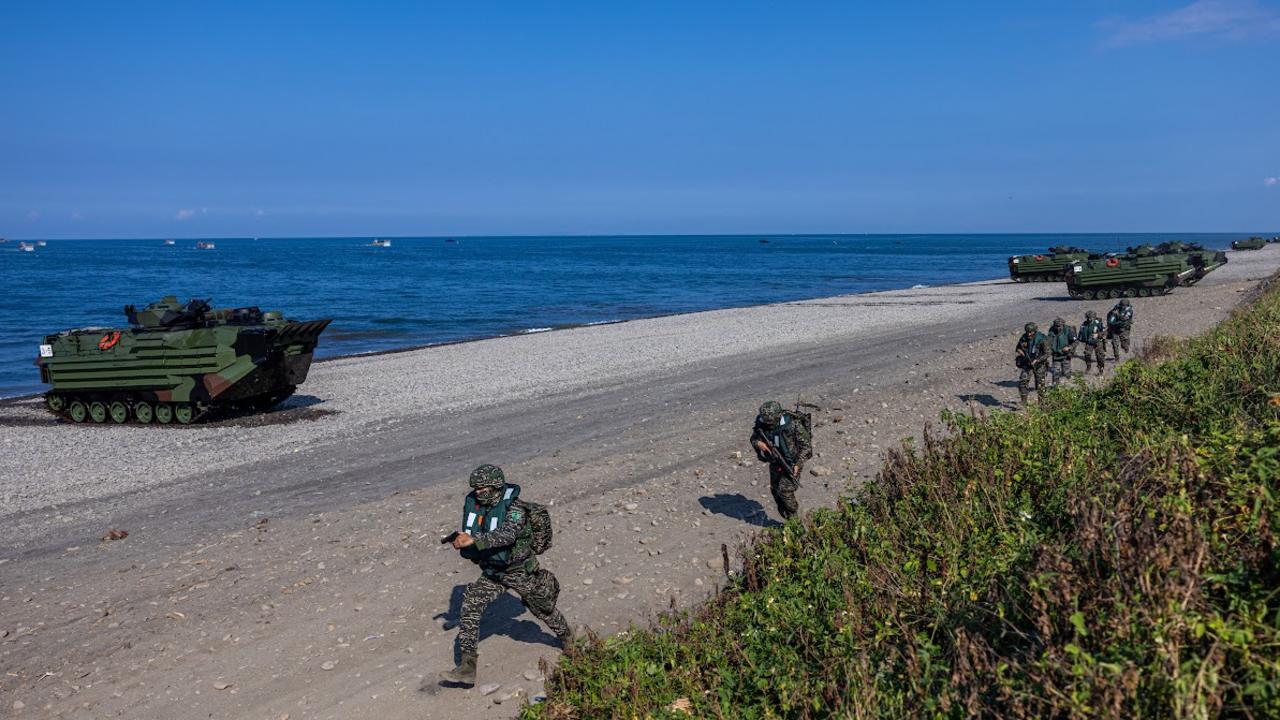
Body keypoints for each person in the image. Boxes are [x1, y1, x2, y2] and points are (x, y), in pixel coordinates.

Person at [438, 464, 571, 687]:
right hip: (493, 572)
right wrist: (463, 540)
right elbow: (478, 531)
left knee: (543, 609)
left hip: (518, 571)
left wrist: (475, 541)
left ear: (496, 487)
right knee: (470, 606)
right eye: (476, 489)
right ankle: (467, 668)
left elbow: (507, 535)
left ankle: (568, 639)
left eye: (482, 488)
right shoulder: (479, 507)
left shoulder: (515, 508)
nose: (478, 493)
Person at [750, 401, 812, 521]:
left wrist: (798, 464)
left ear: (778, 416)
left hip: (792, 463)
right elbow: (753, 438)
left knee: (785, 490)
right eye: (766, 422)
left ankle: (795, 518)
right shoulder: (762, 424)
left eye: (771, 422)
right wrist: (758, 443)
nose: (769, 424)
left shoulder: (793, 424)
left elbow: (807, 447)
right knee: (775, 491)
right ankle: (787, 518)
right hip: (774, 461)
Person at [1015, 322, 1051, 404]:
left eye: (1030, 332)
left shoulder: (1042, 339)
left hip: (1039, 365)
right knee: (1022, 382)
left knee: (1040, 385)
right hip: (1027, 364)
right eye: (1027, 332)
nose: (1028, 334)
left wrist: (1037, 360)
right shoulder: (1024, 338)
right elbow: (1018, 348)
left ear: (1035, 331)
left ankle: (1042, 403)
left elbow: (1047, 353)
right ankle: (1023, 402)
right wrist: (1021, 352)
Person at [1046, 317, 1077, 385]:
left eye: (1059, 326)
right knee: (1055, 373)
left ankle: (1068, 385)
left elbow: (1075, 342)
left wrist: (1069, 347)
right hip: (1056, 355)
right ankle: (1056, 388)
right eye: (1056, 326)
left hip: (1066, 355)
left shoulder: (1069, 330)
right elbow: (1049, 342)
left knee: (1066, 372)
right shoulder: (1051, 330)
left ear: (1063, 325)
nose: (1057, 328)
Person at [1078, 310, 1107, 375]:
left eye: (1091, 317)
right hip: (1088, 342)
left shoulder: (1098, 323)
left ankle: (1100, 370)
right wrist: (1080, 339)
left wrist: (1099, 335)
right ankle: (1088, 366)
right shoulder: (1084, 324)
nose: (1089, 319)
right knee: (1087, 355)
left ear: (1094, 317)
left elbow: (1105, 332)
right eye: (1088, 317)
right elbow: (1081, 332)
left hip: (1098, 342)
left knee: (1100, 356)